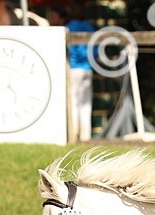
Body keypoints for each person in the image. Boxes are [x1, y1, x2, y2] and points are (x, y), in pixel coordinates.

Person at [49, 3, 95, 143]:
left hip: (74, 68)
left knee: (73, 102)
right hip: (88, 69)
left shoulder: (69, 27)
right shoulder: (89, 27)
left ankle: (73, 134)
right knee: (86, 104)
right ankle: (85, 136)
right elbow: (96, 50)